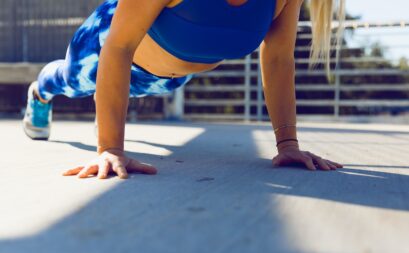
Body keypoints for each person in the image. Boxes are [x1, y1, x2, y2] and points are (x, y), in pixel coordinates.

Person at [22, 0, 345, 179]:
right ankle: (39, 94)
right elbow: (119, 47)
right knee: (68, 80)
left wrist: (287, 143)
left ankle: (105, 107)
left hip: (168, 79)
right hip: (104, 48)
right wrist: (111, 149)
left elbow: (277, 59)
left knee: (120, 93)